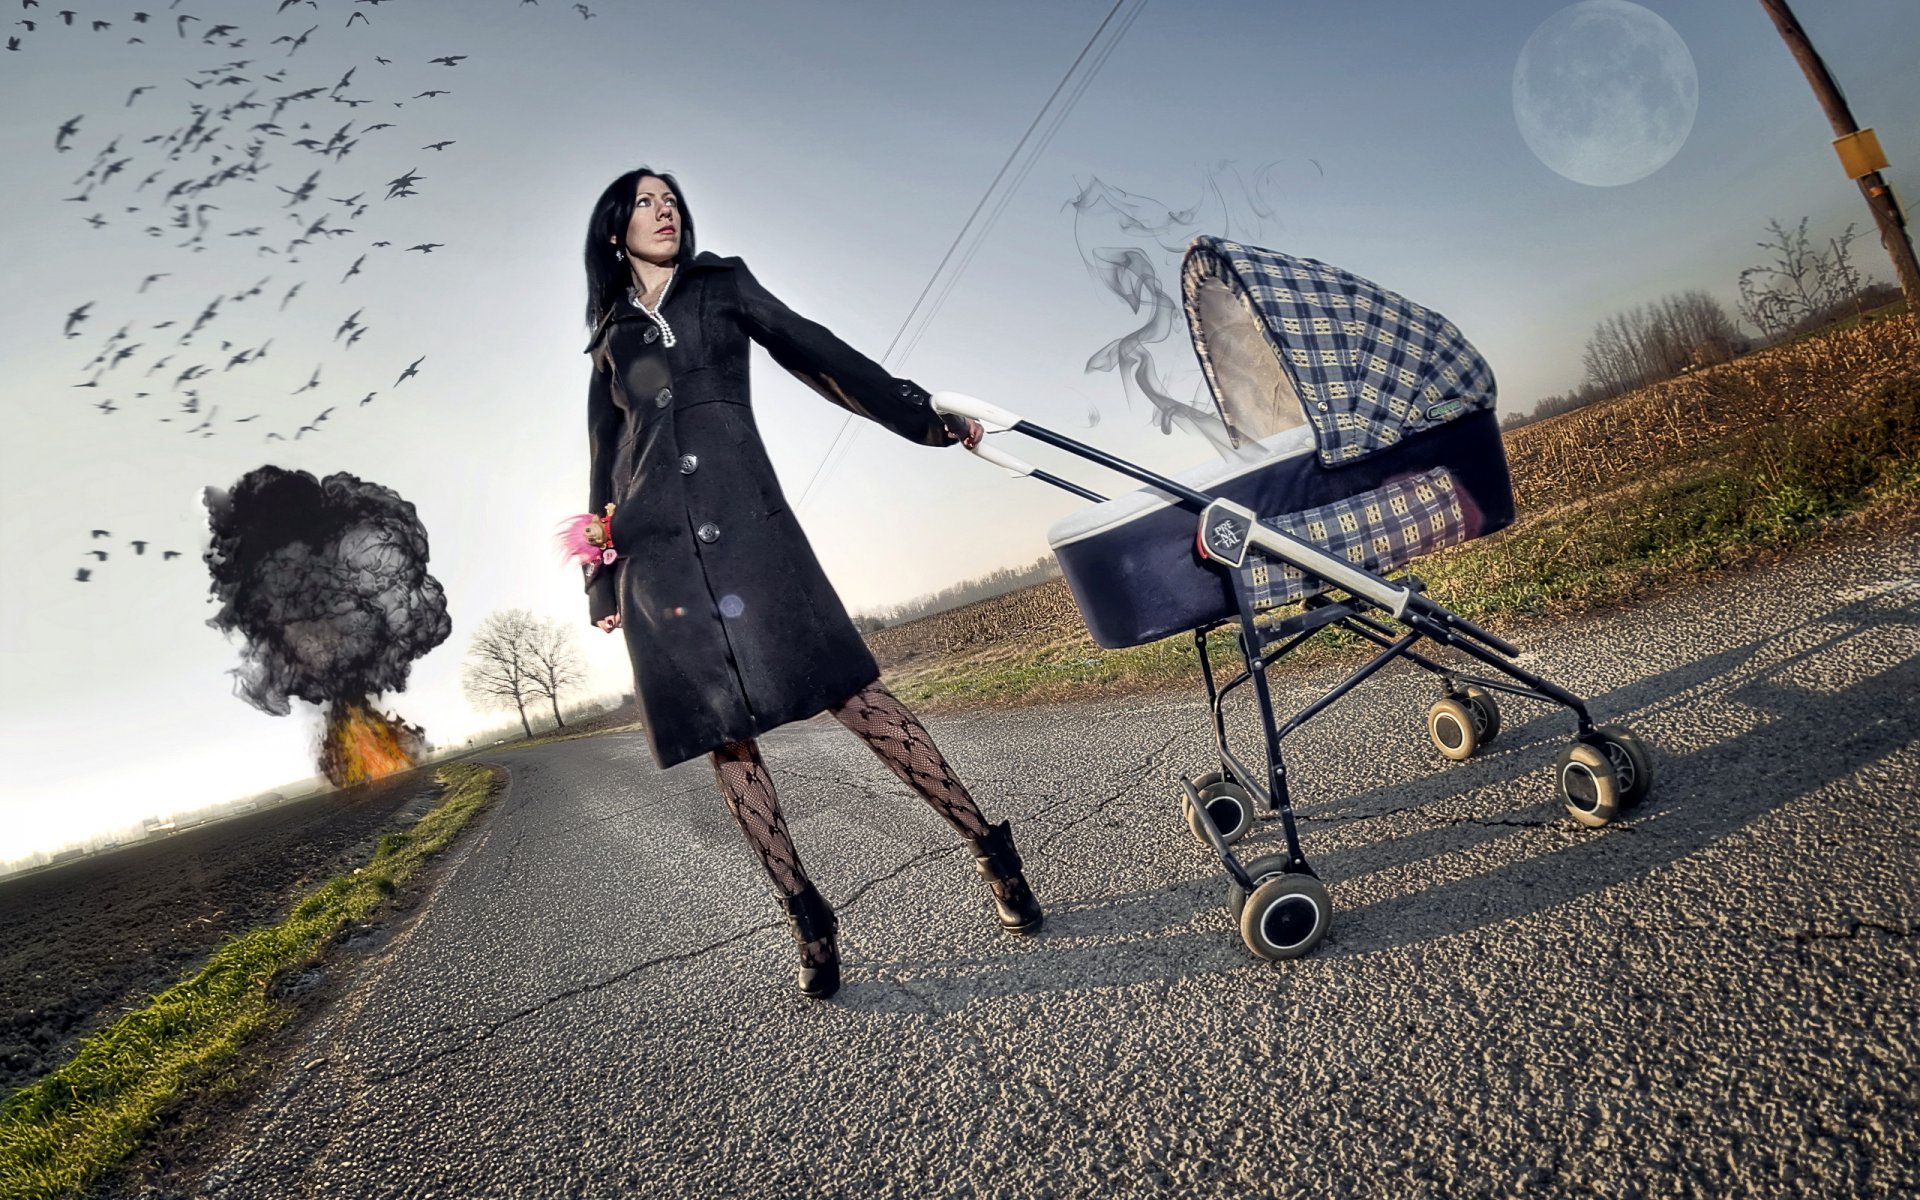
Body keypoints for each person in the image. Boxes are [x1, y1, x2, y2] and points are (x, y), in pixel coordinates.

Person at [578, 168, 1043, 1000]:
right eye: (645, 202)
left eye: (671, 199)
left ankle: (989, 847)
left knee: (856, 694)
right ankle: (806, 915)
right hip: (660, 561)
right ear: (616, 229)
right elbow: (602, 467)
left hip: (751, 532)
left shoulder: (722, 287)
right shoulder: (611, 343)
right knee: (728, 737)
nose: (665, 210)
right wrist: (600, 582)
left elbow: (816, 349)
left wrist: (919, 415)